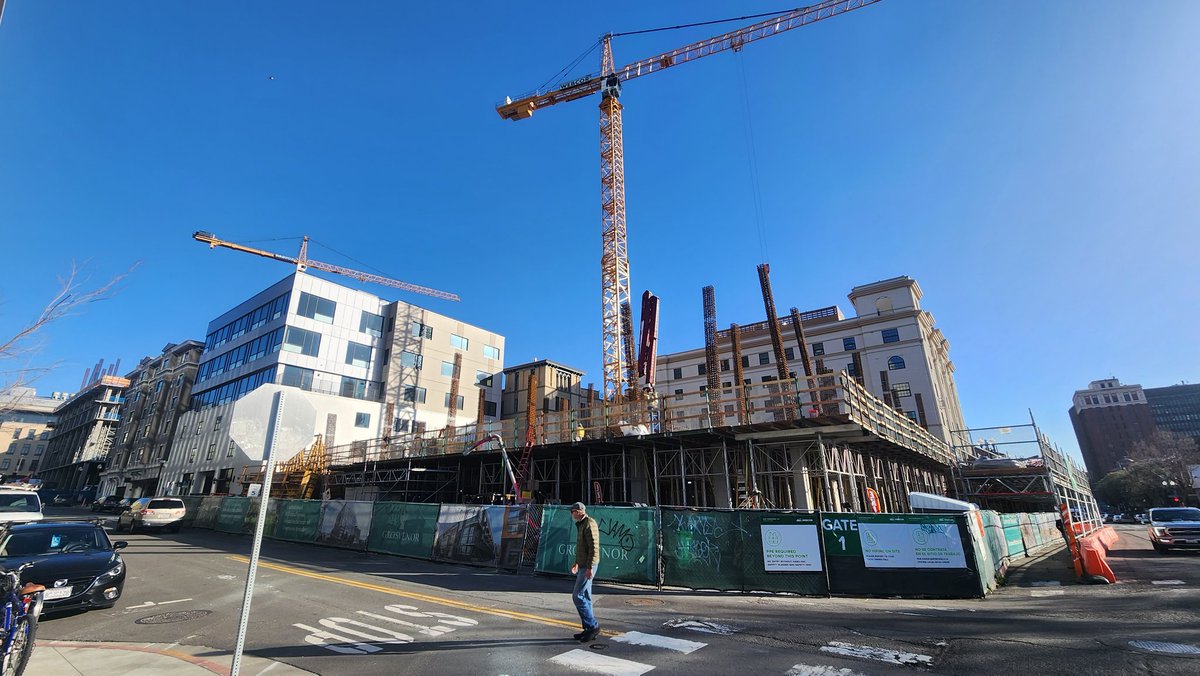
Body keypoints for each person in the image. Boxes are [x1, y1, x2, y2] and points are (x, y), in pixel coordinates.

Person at [568, 501, 601, 642]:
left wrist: (589, 567)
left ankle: (592, 626)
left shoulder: (589, 523)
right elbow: (583, 547)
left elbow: (594, 547)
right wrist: (577, 562)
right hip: (583, 565)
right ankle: (589, 629)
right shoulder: (581, 524)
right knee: (586, 597)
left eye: (573, 511)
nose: (572, 514)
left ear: (580, 511)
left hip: (588, 566)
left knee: (577, 596)